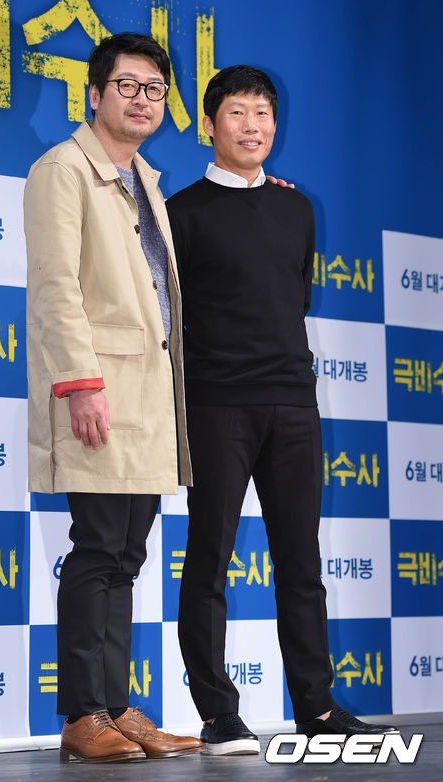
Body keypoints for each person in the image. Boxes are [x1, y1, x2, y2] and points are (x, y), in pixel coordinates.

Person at [166, 65, 398, 756]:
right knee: (209, 559)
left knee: (301, 563)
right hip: (217, 403)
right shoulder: (181, 212)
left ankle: (316, 709)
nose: (253, 126)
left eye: (263, 113)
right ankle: (218, 713)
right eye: (237, 112)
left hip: (294, 402)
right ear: (210, 125)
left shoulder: (298, 209)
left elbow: (292, 298)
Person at [24, 32, 202, 763]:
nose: (142, 100)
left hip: (146, 397)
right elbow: (55, 287)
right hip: (98, 390)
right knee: (97, 550)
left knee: (127, 554)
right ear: (94, 94)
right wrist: (80, 384)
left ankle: (117, 707)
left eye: (155, 89)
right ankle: (81, 715)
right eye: (127, 86)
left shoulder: (144, 180)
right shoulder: (62, 170)